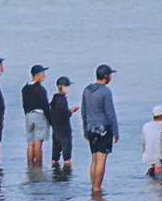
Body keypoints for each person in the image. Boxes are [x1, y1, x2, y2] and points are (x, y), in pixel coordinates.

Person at [81, 64, 119, 193]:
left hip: (91, 128)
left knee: (94, 159)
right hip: (103, 128)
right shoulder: (105, 91)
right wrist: (116, 132)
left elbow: (84, 112)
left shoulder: (86, 90)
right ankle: (97, 188)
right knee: (102, 159)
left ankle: (93, 186)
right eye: (110, 75)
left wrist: (85, 130)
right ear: (106, 76)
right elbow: (110, 113)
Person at [22, 64, 50, 166]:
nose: (44, 75)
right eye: (43, 73)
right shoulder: (40, 89)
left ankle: (30, 165)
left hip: (28, 115)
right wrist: (51, 121)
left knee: (30, 142)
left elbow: (24, 104)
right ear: (38, 74)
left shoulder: (25, 88)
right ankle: (38, 166)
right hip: (39, 115)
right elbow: (45, 106)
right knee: (38, 143)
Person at [47, 76, 77, 166]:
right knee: (67, 157)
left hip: (56, 131)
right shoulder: (62, 100)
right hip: (64, 131)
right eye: (66, 85)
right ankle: (66, 176)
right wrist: (71, 111)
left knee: (55, 156)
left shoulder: (54, 99)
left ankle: (55, 173)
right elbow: (65, 114)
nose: (67, 87)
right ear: (60, 86)